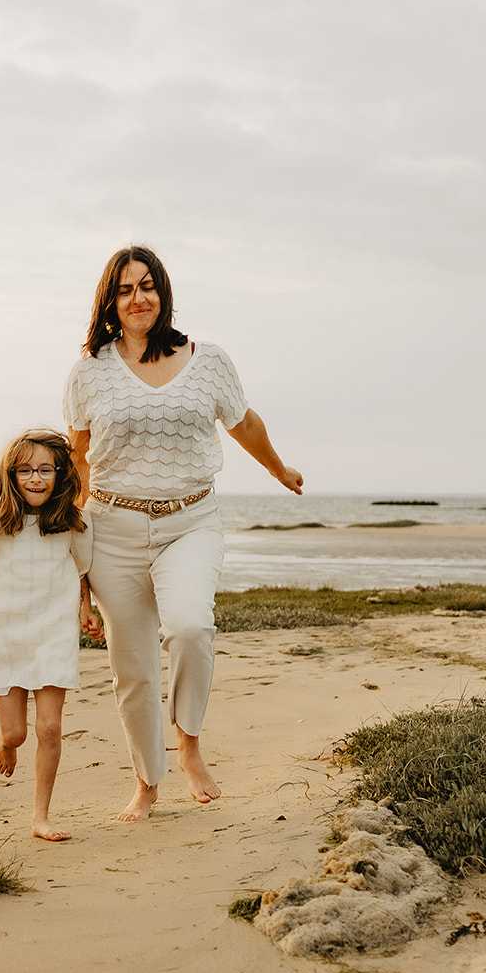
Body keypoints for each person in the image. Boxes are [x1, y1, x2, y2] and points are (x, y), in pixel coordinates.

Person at [64, 246, 302, 823]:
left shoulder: (208, 359)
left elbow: (243, 422)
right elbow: (78, 463)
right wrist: (76, 571)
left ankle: (189, 742)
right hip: (112, 528)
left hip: (190, 520)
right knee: (133, 666)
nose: (137, 298)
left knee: (191, 626)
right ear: (109, 302)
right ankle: (147, 781)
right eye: (124, 290)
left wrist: (278, 469)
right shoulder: (89, 370)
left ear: (163, 293)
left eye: (147, 286)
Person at [0, 430, 102, 841]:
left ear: (60, 473)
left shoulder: (73, 524)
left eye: (45, 469)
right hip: (4, 630)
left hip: (53, 631)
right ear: (11, 475)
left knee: (49, 728)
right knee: (17, 732)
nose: (35, 479)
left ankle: (40, 817)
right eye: (26, 470)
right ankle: (6, 741)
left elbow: (83, 570)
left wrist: (87, 609)